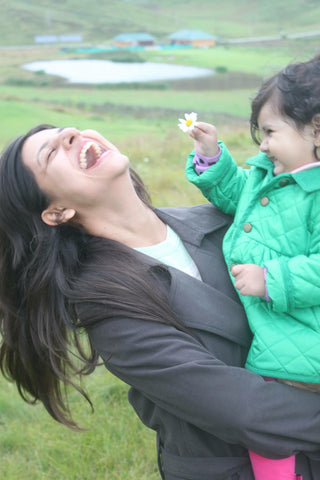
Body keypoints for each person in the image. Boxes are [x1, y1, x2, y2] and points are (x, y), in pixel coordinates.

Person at [0, 125, 320, 480]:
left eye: (67, 130)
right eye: (50, 153)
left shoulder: (223, 220)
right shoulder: (108, 307)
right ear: (57, 212)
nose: (71, 135)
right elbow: (246, 411)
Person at [185, 54, 320, 480]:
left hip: (305, 347)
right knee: (268, 436)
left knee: (271, 430)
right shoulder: (272, 179)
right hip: (280, 348)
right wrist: (211, 158)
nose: (261, 145)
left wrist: (270, 280)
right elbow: (238, 197)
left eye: (270, 132)